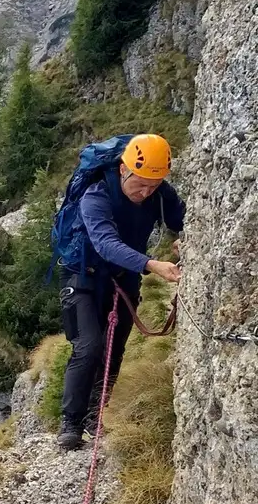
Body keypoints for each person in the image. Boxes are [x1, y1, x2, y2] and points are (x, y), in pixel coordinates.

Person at [56, 133, 185, 451]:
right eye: (139, 184)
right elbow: (105, 243)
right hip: (83, 277)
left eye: (152, 186)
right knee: (88, 346)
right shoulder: (96, 194)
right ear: (124, 170)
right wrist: (151, 264)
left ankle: (93, 417)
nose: (145, 192)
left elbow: (183, 218)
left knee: (113, 352)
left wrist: (186, 238)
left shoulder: (158, 193)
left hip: (125, 279)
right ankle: (70, 422)